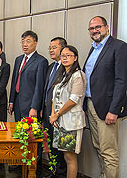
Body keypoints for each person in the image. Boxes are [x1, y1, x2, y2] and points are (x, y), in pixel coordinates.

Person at [83, 16, 127, 178]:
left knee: (109, 151)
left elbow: (122, 81)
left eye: (98, 27)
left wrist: (114, 110)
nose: (94, 30)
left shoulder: (119, 47)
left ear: (107, 28)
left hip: (107, 108)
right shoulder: (94, 49)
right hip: (91, 105)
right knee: (99, 147)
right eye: (91, 28)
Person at [49, 45, 86, 178]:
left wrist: (57, 114)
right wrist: (53, 114)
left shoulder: (78, 75)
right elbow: (55, 97)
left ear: (75, 58)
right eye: (63, 56)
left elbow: (73, 100)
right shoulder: (62, 75)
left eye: (68, 55)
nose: (65, 58)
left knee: (70, 157)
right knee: (65, 156)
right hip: (59, 122)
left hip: (71, 122)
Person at [42, 37, 67, 178]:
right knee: (50, 143)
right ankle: (54, 171)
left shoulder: (67, 67)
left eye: (54, 47)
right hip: (46, 111)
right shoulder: (51, 67)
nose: (51, 50)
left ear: (63, 48)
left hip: (59, 113)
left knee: (60, 145)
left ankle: (61, 174)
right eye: (50, 48)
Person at [9, 30, 48, 121]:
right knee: (18, 131)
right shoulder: (18, 59)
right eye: (22, 41)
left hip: (30, 104)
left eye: (28, 41)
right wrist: (11, 101)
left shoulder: (41, 61)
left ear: (35, 43)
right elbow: (14, 81)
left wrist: (34, 107)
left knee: (29, 134)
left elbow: (39, 87)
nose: (24, 44)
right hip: (17, 102)